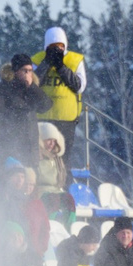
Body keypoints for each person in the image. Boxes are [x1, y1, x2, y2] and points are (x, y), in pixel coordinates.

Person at [31, 26, 86, 168]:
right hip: (43, 117)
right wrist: (46, 64)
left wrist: (61, 67)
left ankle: (63, 180)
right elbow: (33, 84)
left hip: (66, 120)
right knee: (41, 156)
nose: (57, 50)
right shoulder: (37, 60)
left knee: (63, 158)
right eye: (52, 47)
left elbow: (79, 86)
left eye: (60, 46)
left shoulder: (75, 60)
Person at [0, 55, 44, 164]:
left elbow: (45, 106)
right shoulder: (0, 88)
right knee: (8, 170)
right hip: (8, 141)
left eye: (30, 71)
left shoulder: (31, 88)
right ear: (16, 71)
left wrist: (32, 87)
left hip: (30, 143)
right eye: (24, 70)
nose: (27, 74)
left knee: (29, 172)